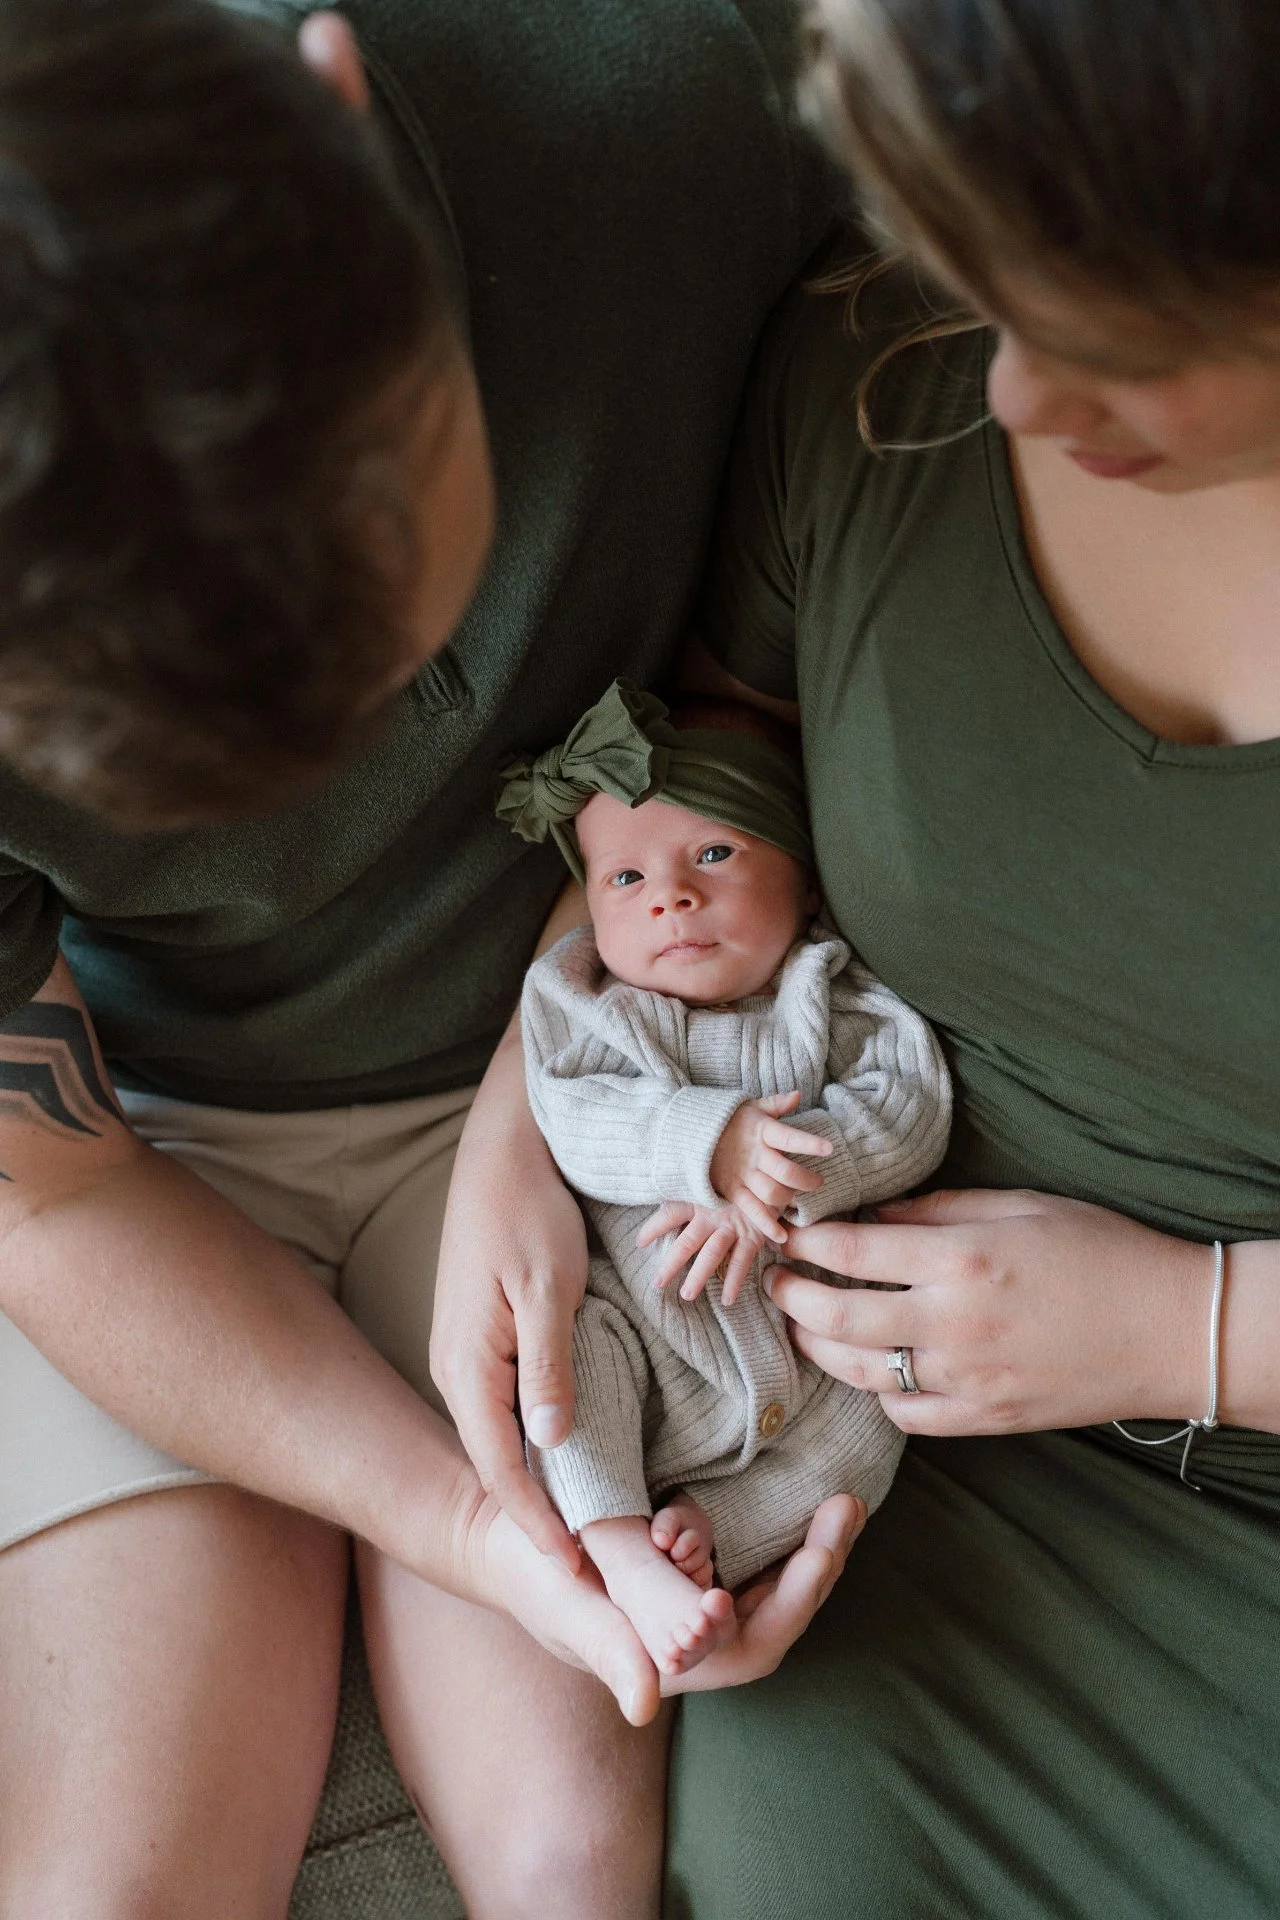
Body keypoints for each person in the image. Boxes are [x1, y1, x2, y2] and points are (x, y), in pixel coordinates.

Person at [0, 3, 858, 1915]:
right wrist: (474, 1529)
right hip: (133, 1152)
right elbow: (47, 1196)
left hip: (585, 1044)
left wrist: (535, 1103)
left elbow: (804, 631)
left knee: (570, 1862)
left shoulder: (694, 95)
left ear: (327, 106)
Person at [433, 1, 1280, 1913]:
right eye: (981, 268)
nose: (1017, 401)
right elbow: (722, 759)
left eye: (1124, 325)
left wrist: (1198, 1327)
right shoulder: (887, 354)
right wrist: (529, 1117)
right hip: (906, 1478)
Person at [495, 680, 949, 1672]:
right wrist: (712, 1147)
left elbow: (907, 1112)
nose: (669, 896)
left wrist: (781, 1181)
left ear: (801, 871)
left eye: (713, 854)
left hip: (815, 1334)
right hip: (643, 1319)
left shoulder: (833, 992)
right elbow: (572, 1119)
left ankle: (721, 1530)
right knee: (563, 1361)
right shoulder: (587, 1003)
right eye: (623, 880)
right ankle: (619, 1546)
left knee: (879, 1415)